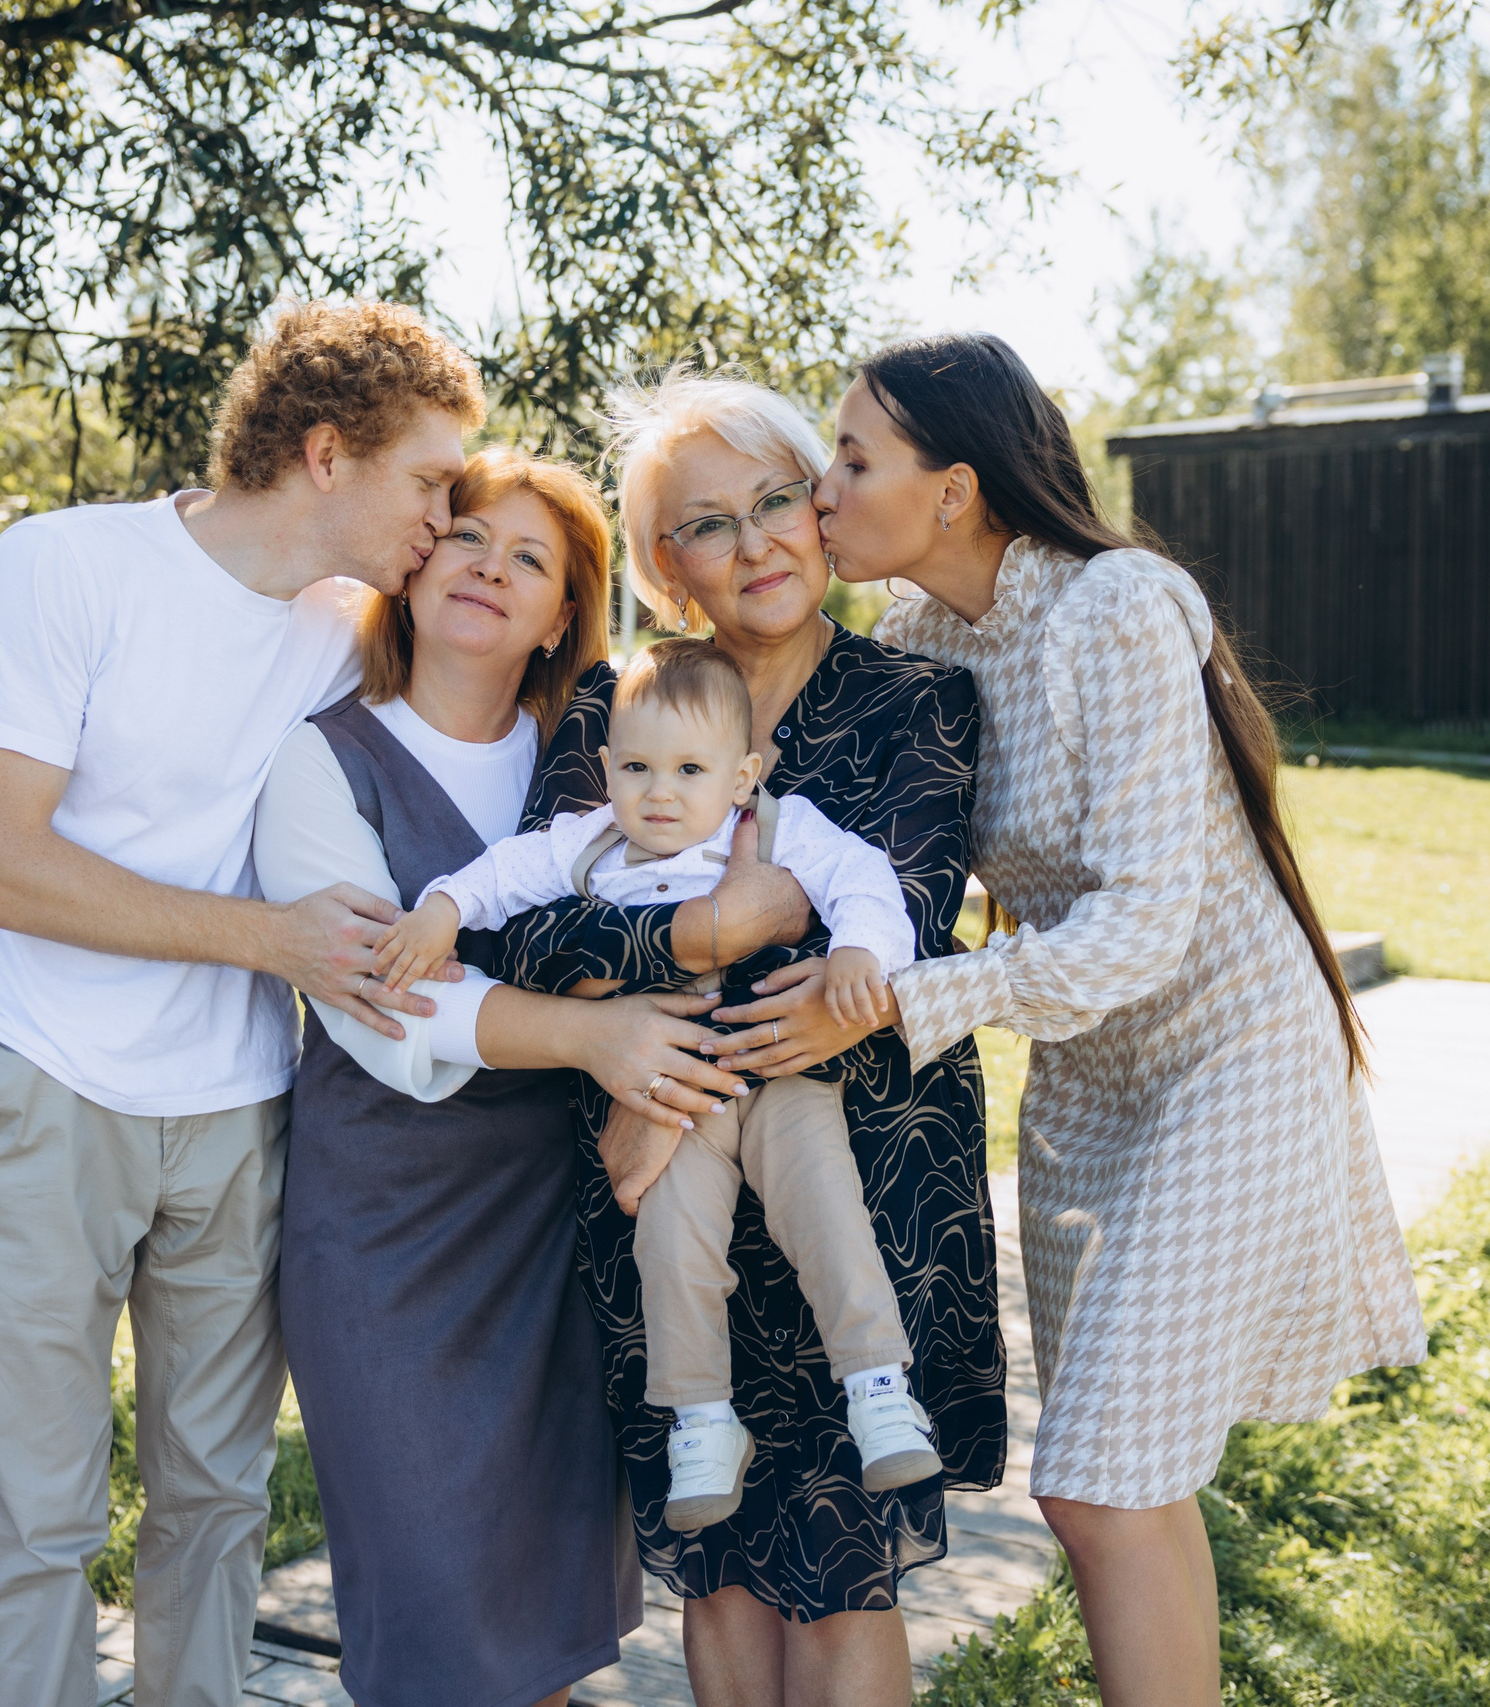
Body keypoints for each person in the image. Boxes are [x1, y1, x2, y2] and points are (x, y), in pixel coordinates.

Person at [815, 331, 1429, 1707]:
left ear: (956, 487)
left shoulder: (1119, 606)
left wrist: (913, 1002)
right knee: (1115, 1482)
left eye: (853, 457)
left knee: (1098, 1473)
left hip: (1236, 1049)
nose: (823, 485)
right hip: (1090, 1084)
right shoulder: (917, 638)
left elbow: (1148, 922)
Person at [0, 301, 493, 1707]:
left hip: (239, 1112)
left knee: (218, 1507)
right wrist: (270, 939)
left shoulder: (355, 626)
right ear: (323, 452)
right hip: (42, 1084)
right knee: (37, 1527)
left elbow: (514, 676)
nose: (445, 514)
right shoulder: (64, 566)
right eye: (428, 480)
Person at [489, 367, 1002, 1707]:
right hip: (663, 1191)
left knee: (838, 1574)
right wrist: (725, 923)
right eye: (711, 522)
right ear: (668, 566)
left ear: (825, 508)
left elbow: (884, 958)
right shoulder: (615, 707)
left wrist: (650, 987)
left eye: (780, 497)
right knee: (713, 1571)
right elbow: (526, 933)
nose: (759, 539)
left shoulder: (917, 704)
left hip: (852, 1179)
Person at [252, 448, 754, 1707]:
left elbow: (713, 899)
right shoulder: (322, 758)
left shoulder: (602, 764)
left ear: (558, 618)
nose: (489, 567)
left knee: (538, 1622)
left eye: (529, 558)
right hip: (387, 1228)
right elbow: (380, 1002)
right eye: (469, 536)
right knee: (434, 1618)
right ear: (415, 565)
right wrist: (593, 1034)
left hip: (558, 1220)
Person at [377, 637, 941, 1532]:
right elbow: (501, 877)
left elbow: (865, 879)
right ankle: (701, 1416)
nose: (662, 792)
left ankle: (878, 1384)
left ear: (742, 773)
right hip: (671, 1098)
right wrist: (442, 909)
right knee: (672, 1247)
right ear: (606, 769)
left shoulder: (779, 827)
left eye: (689, 768)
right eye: (637, 767)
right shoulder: (592, 843)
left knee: (824, 1208)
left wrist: (861, 954)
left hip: (776, 1074)